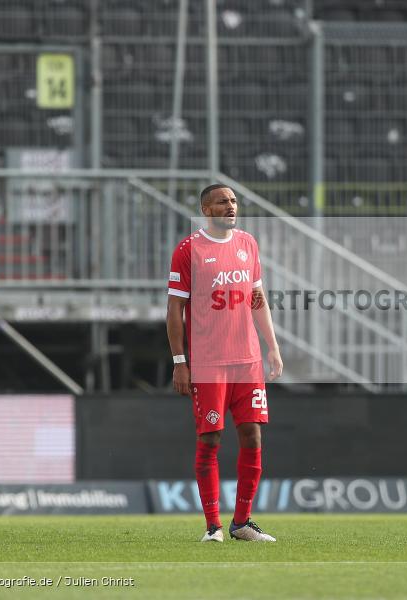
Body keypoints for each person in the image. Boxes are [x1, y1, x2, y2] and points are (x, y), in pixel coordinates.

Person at [166, 183, 283, 543]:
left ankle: (242, 523)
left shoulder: (248, 243)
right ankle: (213, 526)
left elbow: (257, 299)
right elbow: (174, 310)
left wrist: (272, 347)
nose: (230, 206)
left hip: (247, 361)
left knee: (252, 435)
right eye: (222, 202)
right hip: (209, 363)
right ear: (206, 210)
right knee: (211, 438)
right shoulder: (189, 250)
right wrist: (180, 361)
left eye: (233, 201)